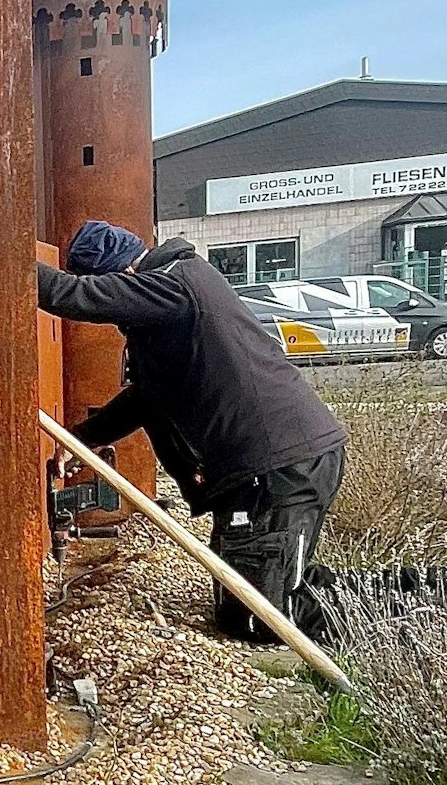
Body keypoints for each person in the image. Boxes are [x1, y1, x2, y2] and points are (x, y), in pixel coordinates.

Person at [36, 220, 351, 642]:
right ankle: (382, 596)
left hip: (277, 467)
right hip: (264, 467)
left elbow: (70, 295)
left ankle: (414, 608)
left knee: (260, 616)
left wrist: (1, 255)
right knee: (250, 593)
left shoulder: (173, 285)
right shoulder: (169, 305)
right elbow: (148, 400)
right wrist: (83, 438)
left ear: (124, 276)